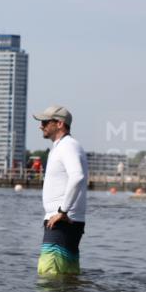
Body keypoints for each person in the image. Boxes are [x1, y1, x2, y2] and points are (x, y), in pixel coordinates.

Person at [33, 105, 88, 276]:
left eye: (45, 122)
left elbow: (77, 176)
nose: (41, 126)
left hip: (62, 221)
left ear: (59, 124)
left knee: (49, 277)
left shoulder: (68, 146)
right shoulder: (61, 147)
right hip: (64, 221)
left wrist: (62, 211)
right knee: (68, 278)